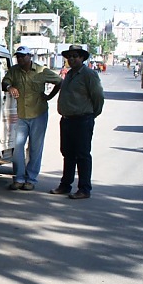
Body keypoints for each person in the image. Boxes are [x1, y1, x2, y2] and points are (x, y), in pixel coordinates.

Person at [2, 45, 62, 191]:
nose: (20, 59)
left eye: (23, 56)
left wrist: (49, 97)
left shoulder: (41, 71)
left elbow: (59, 81)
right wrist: (10, 87)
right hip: (21, 115)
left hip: (38, 114)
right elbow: (4, 82)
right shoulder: (14, 71)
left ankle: (31, 179)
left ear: (30, 57)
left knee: (35, 148)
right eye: (18, 56)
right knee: (17, 147)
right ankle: (19, 178)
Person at [49, 45, 105, 200]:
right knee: (68, 154)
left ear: (82, 58)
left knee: (82, 155)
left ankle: (84, 189)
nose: (72, 59)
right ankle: (65, 185)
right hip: (67, 120)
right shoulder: (69, 74)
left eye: (75, 56)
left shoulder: (89, 74)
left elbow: (98, 97)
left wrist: (92, 115)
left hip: (82, 120)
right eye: (70, 57)